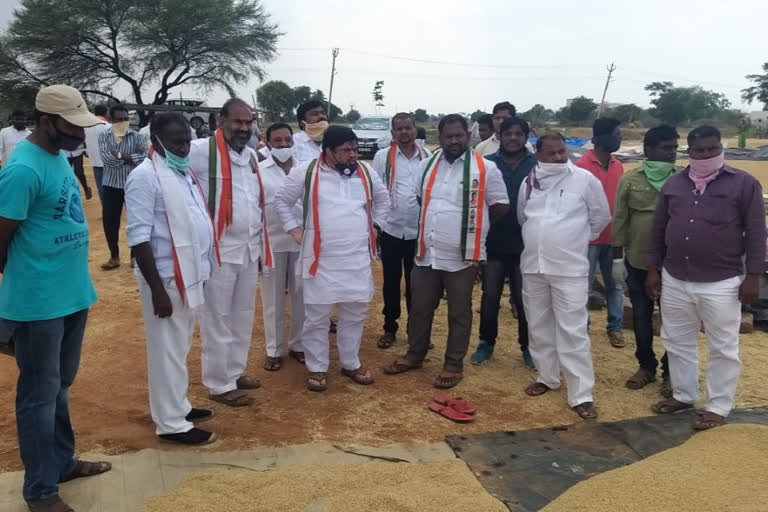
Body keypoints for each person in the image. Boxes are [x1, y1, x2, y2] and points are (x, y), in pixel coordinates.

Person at [0, 85, 110, 512]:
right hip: (38, 303)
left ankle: (61, 463)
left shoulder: (57, 157)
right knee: (38, 397)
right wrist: (16, 302)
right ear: (46, 122)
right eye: (72, 127)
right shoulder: (22, 170)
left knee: (60, 387)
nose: (80, 136)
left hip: (71, 294)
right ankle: (40, 492)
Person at [647, 125, 766, 430]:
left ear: (721, 148)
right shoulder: (674, 185)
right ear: (689, 152)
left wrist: (753, 275)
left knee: (723, 346)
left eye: (711, 149)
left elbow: (755, 232)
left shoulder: (744, 184)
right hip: (675, 276)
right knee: (677, 340)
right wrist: (653, 269)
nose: (705, 155)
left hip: (722, 280)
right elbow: (659, 230)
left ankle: (717, 406)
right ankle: (684, 395)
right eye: (698, 150)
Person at [384, 114, 509, 389]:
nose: (454, 141)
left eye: (459, 135)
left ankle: (453, 364)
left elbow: (500, 206)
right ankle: (415, 355)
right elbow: (421, 200)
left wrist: (472, 230)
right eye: (448, 136)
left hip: (462, 256)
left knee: (459, 312)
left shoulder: (487, 168)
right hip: (427, 252)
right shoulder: (426, 166)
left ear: (468, 136)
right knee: (419, 307)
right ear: (439, 138)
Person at [126, 112, 219, 446]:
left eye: (187, 140)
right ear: (156, 141)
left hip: (188, 276)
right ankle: (170, 423)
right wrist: (158, 292)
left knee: (179, 346)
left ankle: (178, 405)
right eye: (177, 141)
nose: (184, 147)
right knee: (166, 350)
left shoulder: (181, 172)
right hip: (164, 280)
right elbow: (139, 238)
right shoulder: (144, 176)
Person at [275, 126, 391, 391]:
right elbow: (282, 201)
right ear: (328, 151)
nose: (353, 155)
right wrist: (294, 230)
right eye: (346, 150)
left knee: (354, 314)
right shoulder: (305, 171)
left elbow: (384, 201)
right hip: (321, 259)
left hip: (356, 258)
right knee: (317, 317)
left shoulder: (366, 172)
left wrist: (377, 227)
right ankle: (317, 368)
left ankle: (351, 363)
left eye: (355, 148)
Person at [518, 132, 611, 419]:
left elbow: (601, 216)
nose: (559, 157)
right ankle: (547, 377)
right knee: (538, 324)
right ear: (538, 154)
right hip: (533, 266)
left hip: (569, 269)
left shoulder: (584, 180)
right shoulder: (529, 181)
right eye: (552, 153)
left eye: (562, 152)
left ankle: (581, 395)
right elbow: (523, 217)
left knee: (573, 330)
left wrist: (575, 240)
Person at [190, 98, 269, 408]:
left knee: (243, 315)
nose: (244, 127)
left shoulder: (250, 156)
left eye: (248, 122)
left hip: (249, 249)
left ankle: (234, 372)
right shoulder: (201, 152)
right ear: (221, 122)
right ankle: (218, 383)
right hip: (219, 252)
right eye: (237, 122)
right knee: (217, 318)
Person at [612, 125, 678, 395]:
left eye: (674, 148)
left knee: (674, 320)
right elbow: (620, 220)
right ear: (649, 150)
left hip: (674, 264)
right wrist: (617, 259)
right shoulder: (630, 180)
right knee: (641, 316)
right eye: (666, 148)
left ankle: (671, 371)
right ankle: (646, 366)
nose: (672, 153)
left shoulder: (682, 179)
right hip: (638, 261)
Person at [472, 116, 538, 368]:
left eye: (518, 134)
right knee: (490, 297)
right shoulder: (486, 164)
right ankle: (486, 342)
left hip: (525, 244)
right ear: (500, 135)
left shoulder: (536, 165)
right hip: (493, 243)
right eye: (508, 134)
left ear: (526, 137)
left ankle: (528, 346)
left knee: (524, 299)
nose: (513, 138)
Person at [372, 113, 432, 349]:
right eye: (399, 129)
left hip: (417, 231)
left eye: (408, 128)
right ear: (392, 133)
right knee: (391, 281)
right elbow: (376, 192)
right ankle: (389, 326)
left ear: (415, 129)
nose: (404, 132)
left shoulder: (427, 157)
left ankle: (414, 330)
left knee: (417, 283)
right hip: (391, 229)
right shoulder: (381, 157)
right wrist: (376, 226)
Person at [575, 117, 625, 348]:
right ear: (602, 137)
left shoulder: (618, 165)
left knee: (615, 283)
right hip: (589, 238)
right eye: (617, 133)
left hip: (614, 237)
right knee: (583, 284)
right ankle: (582, 327)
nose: (620, 137)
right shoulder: (581, 166)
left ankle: (615, 327)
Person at [260, 122, 305, 371]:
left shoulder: (304, 169)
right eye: (277, 141)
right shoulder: (260, 170)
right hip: (271, 242)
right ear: (268, 144)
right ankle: (273, 349)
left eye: (287, 140)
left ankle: (298, 345)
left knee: (301, 296)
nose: (283, 145)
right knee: (273, 299)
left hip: (301, 242)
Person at [98, 104, 147, 270]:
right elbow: (107, 160)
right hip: (111, 185)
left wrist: (118, 154)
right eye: (119, 119)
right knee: (110, 222)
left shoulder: (137, 135)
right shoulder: (104, 136)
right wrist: (131, 156)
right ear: (111, 120)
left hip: (133, 184)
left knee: (136, 220)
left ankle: (135, 257)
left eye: (126, 119)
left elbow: (144, 157)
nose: (123, 122)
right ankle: (114, 257)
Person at [83, 105, 110, 202]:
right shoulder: (107, 126)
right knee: (113, 188)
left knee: (101, 188)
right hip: (108, 162)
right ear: (106, 112)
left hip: (95, 161)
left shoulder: (87, 126)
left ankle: (105, 209)